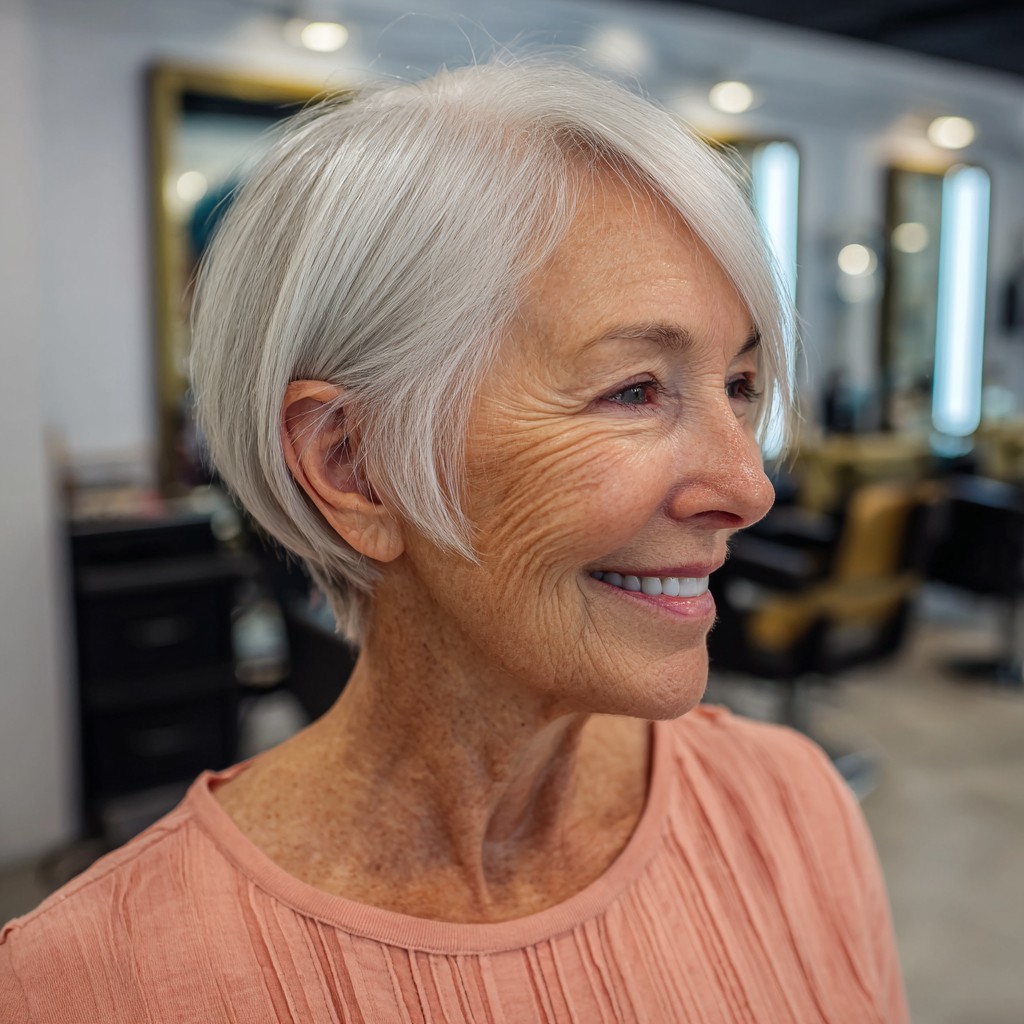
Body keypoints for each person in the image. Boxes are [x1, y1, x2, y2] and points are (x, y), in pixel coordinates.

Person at [0, 57, 908, 1022]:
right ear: (353, 464)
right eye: (636, 390)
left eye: (739, 386)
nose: (747, 489)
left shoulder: (793, 811)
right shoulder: (89, 986)